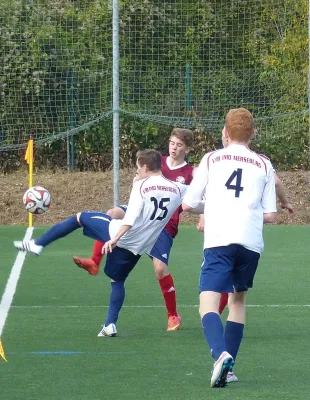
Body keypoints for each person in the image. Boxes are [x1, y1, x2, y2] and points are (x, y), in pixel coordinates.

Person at [14, 149, 194, 337]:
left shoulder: (141, 185)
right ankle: (109, 325)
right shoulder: (178, 188)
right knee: (117, 280)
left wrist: (114, 239)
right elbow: (196, 201)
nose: (136, 172)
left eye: (138, 168)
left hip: (119, 235)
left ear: (146, 167)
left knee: (79, 218)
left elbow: (130, 219)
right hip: (138, 247)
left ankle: (38, 244)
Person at [182, 108, 277, 388]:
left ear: (225, 132)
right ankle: (230, 367)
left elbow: (188, 204)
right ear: (253, 134)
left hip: (220, 239)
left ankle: (219, 354)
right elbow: (270, 215)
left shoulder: (211, 159)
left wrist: (212, 206)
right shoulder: (263, 165)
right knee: (238, 300)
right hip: (250, 241)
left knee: (207, 302)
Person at [73, 128, 195, 332]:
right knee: (112, 213)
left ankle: (173, 315)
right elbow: (138, 181)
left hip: (163, 225)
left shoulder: (191, 173)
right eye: (172, 143)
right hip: (139, 214)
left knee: (160, 269)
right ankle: (94, 261)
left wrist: (203, 216)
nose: (174, 148)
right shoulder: (158, 162)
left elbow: (196, 198)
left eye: (179, 145)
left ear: (188, 149)